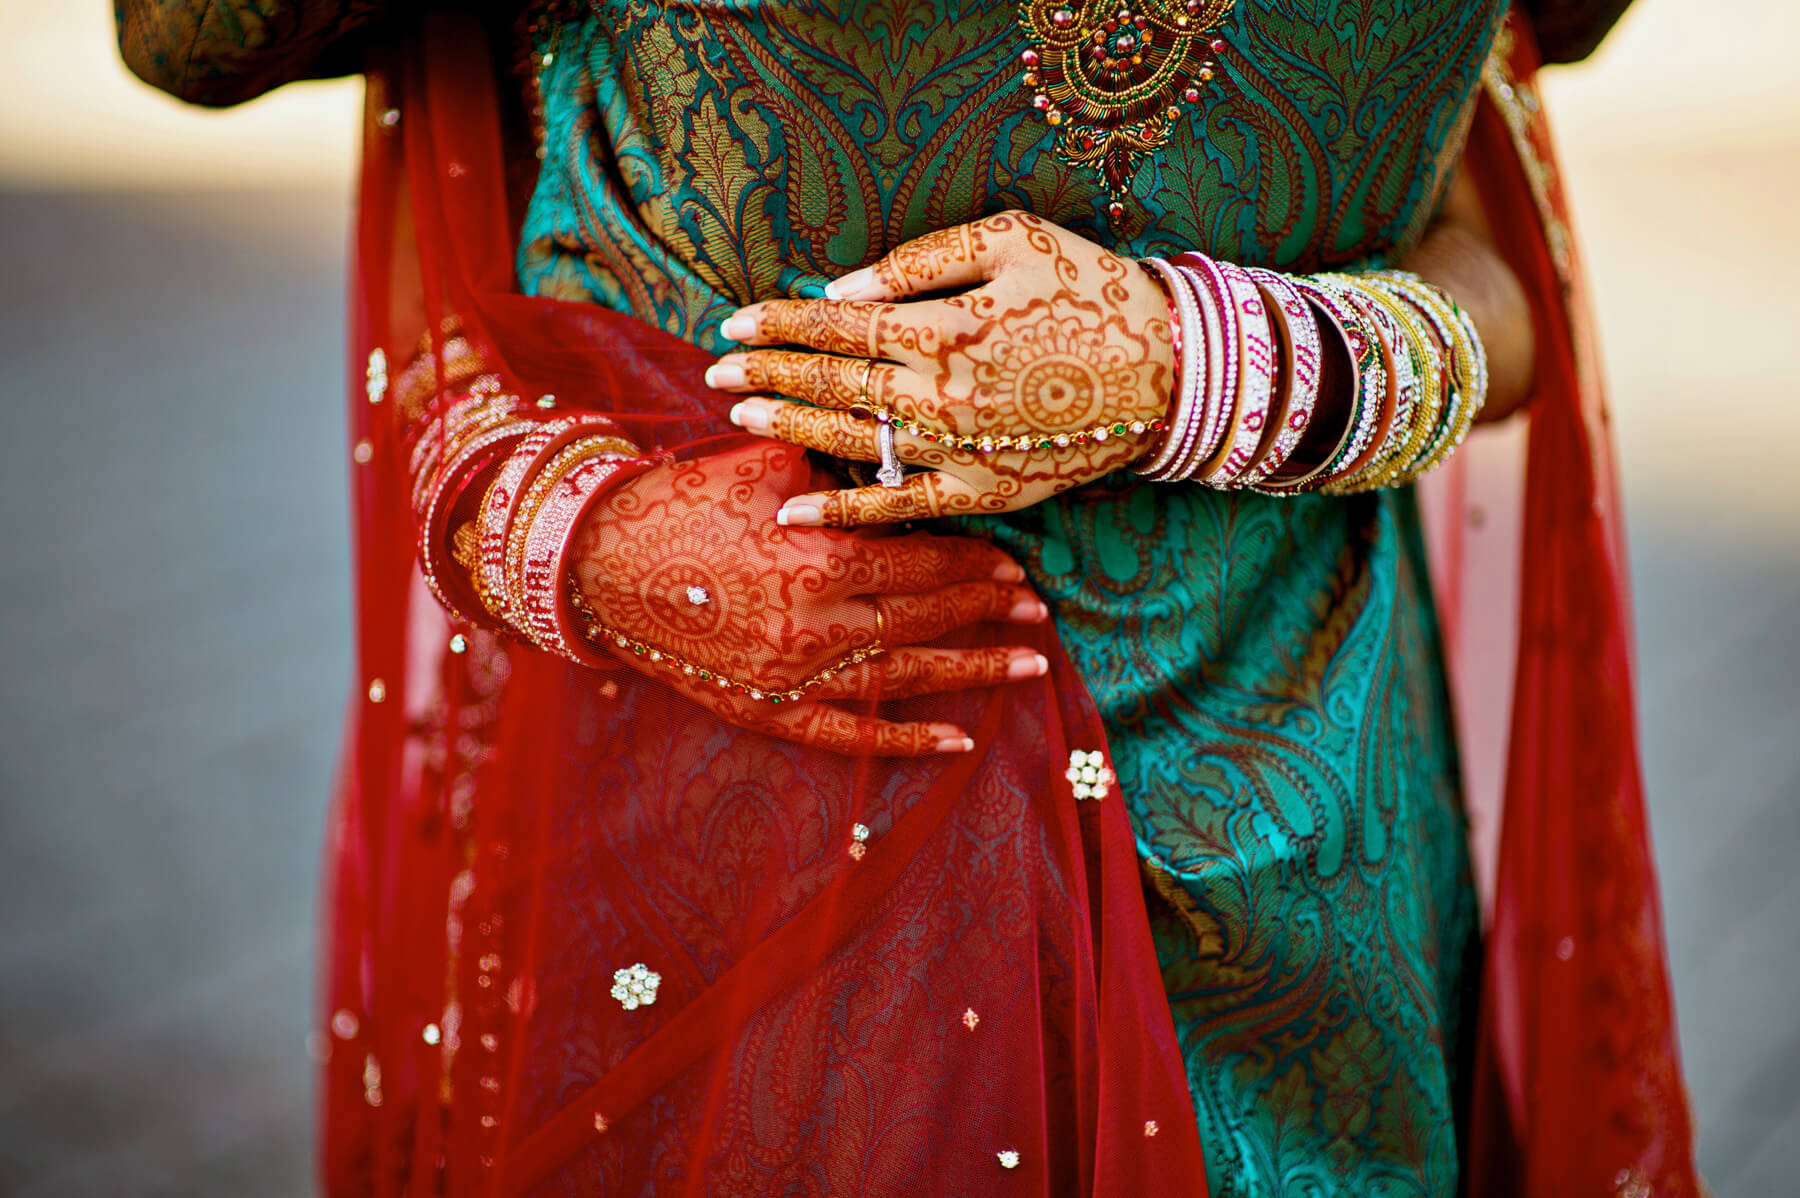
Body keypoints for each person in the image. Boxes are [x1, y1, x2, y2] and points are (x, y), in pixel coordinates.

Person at [119, 1, 1700, 1193]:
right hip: (741, 836)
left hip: (1297, 835)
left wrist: (1189, 365)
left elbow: (1495, 257)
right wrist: (583, 542)